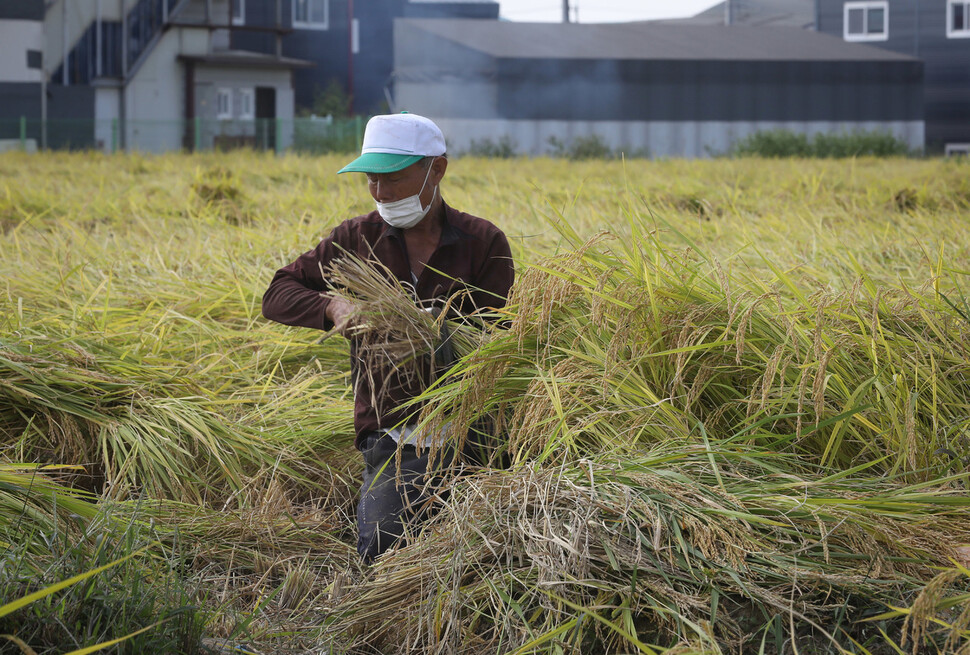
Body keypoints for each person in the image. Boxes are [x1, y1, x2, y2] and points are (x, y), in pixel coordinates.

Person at [261, 112, 514, 563]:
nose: (380, 193)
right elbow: (277, 293)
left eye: (393, 179)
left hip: (471, 430)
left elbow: (504, 341)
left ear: (436, 169)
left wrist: (442, 331)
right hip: (394, 433)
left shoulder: (482, 242)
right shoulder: (357, 239)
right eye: (372, 180)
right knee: (383, 549)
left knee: (494, 546)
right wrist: (333, 306)